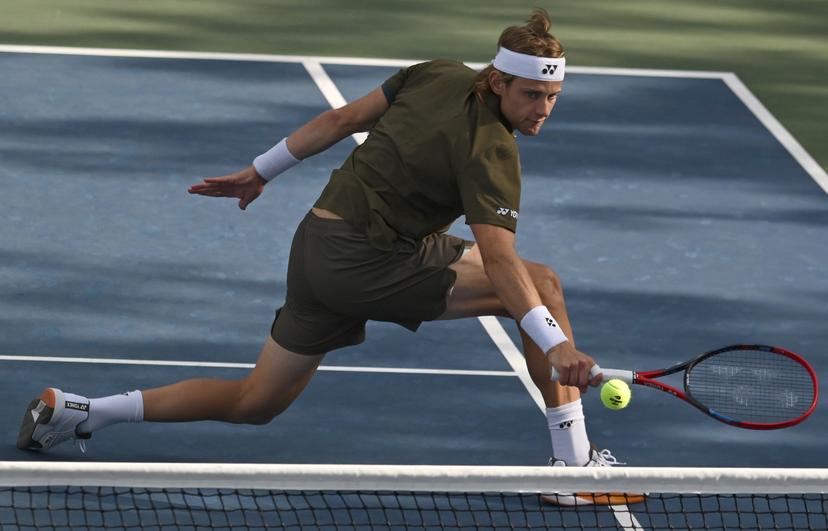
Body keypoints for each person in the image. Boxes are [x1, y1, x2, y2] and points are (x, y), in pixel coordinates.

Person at [17, 9, 641, 506]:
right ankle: (571, 467)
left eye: (553, 97)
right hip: (370, 264)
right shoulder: (492, 152)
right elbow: (502, 264)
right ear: (498, 81)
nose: (542, 110)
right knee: (542, 286)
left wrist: (260, 172)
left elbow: (343, 119)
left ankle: (81, 414)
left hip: (317, 245)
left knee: (255, 403)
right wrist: (555, 344)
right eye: (532, 95)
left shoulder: (436, 71)